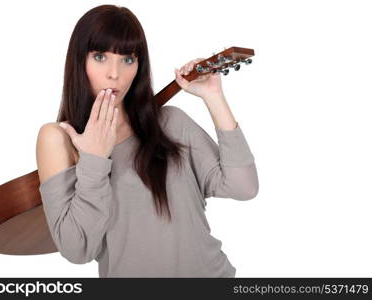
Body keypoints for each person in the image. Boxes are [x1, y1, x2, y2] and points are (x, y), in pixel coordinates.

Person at [36, 4, 259, 277]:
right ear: (78, 60)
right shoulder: (59, 138)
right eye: (99, 56)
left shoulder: (171, 122)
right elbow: (77, 250)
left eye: (128, 59)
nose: (114, 74)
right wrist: (94, 160)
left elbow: (244, 187)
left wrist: (214, 97)